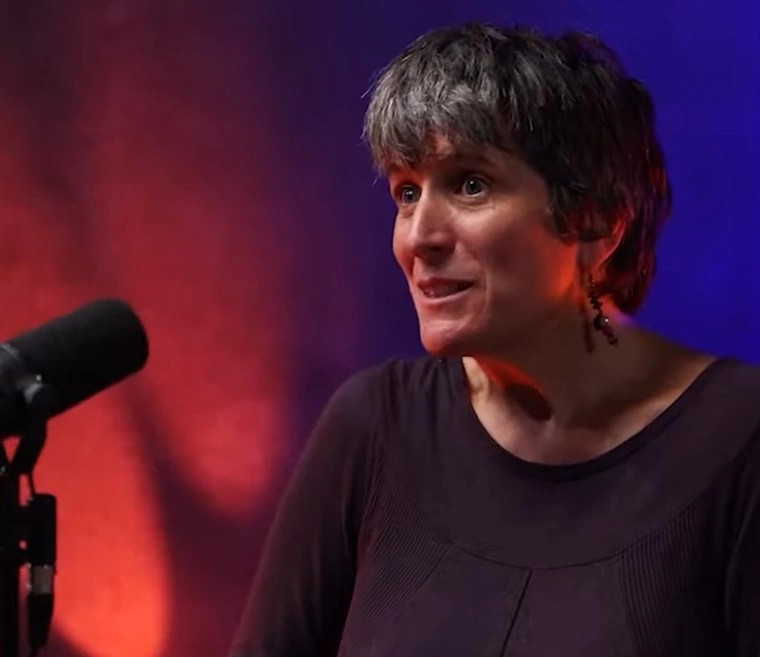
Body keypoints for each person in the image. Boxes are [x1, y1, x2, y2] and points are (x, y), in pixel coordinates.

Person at [229, 23, 760, 657]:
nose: (418, 236)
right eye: (406, 192)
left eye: (470, 184)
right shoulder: (371, 428)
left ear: (596, 220)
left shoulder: (741, 438)